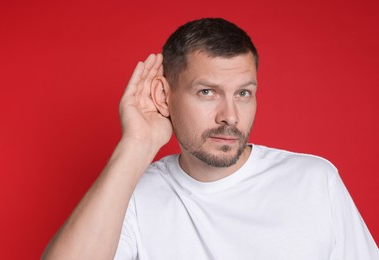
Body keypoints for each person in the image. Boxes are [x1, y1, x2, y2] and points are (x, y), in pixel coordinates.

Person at [42, 18, 379, 260]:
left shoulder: (314, 181)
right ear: (164, 95)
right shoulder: (132, 194)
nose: (230, 117)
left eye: (244, 93)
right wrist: (137, 144)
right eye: (207, 92)